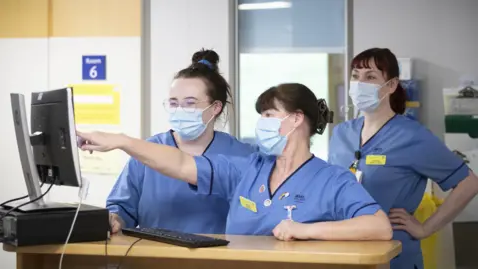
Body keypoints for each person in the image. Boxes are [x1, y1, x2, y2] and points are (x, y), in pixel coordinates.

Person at [78, 83, 393, 241]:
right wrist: (123, 141)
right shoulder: (248, 167)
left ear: (297, 119)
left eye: (269, 116)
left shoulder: (332, 179)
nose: (262, 123)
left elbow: (379, 226)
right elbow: (181, 164)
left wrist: (307, 230)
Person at [328, 48, 478, 269]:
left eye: (370, 77)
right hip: (345, 252)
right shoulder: (341, 134)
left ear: (390, 85)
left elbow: (469, 183)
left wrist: (426, 228)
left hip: (394, 255)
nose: (360, 84)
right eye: (355, 76)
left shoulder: (412, 136)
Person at [106, 49, 257, 234]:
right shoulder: (147, 152)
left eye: (190, 103)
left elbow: (258, 214)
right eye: (173, 103)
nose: (179, 110)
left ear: (216, 107)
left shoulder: (241, 155)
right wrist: (115, 219)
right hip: (155, 257)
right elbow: (121, 209)